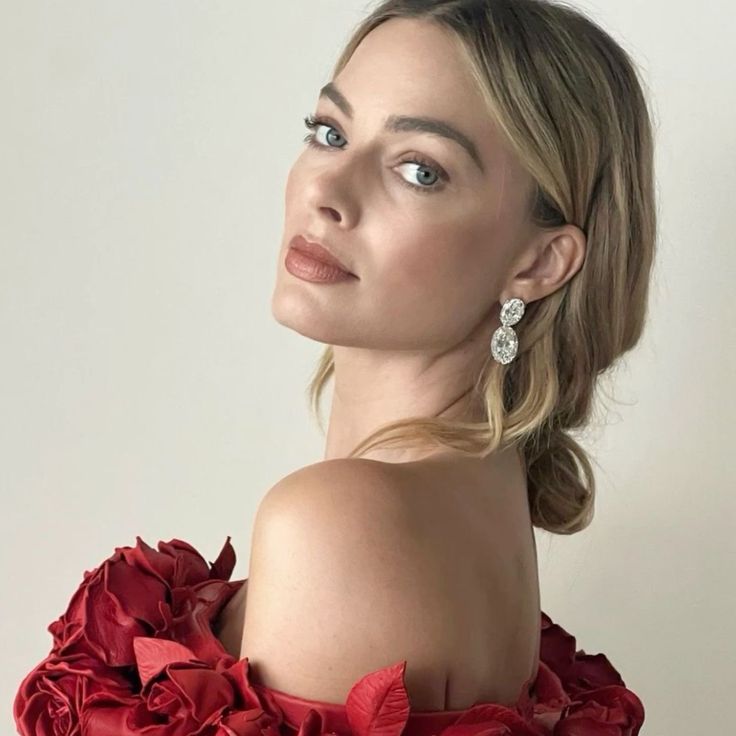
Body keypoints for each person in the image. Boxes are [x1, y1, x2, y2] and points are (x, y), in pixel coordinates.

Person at [13, 1, 654, 734]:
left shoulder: (342, 523)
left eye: (419, 170)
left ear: (539, 261)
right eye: (329, 132)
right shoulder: (483, 495)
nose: (326, 191)